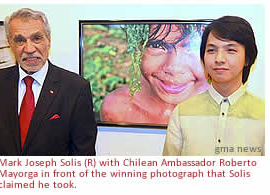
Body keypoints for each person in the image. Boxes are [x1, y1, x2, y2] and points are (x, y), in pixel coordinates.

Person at [0, 8, 97, 155]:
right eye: (20, 40)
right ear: (10, 44)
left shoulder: (75, 88)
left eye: (37, 38)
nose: (29, 49)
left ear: (48, 41)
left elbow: (83, 156)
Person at [163, 16, 264, 156]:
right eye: (211, 50)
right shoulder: (182, 113)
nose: (219, 59)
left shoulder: (264, 113)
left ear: (247, 58)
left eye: (230, 50)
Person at [101, 24, 209, 124]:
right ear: (137, 49)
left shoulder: (223, 109)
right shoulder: (119, 108)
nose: (173, 68)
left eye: (192, 47)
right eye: (157, 45)